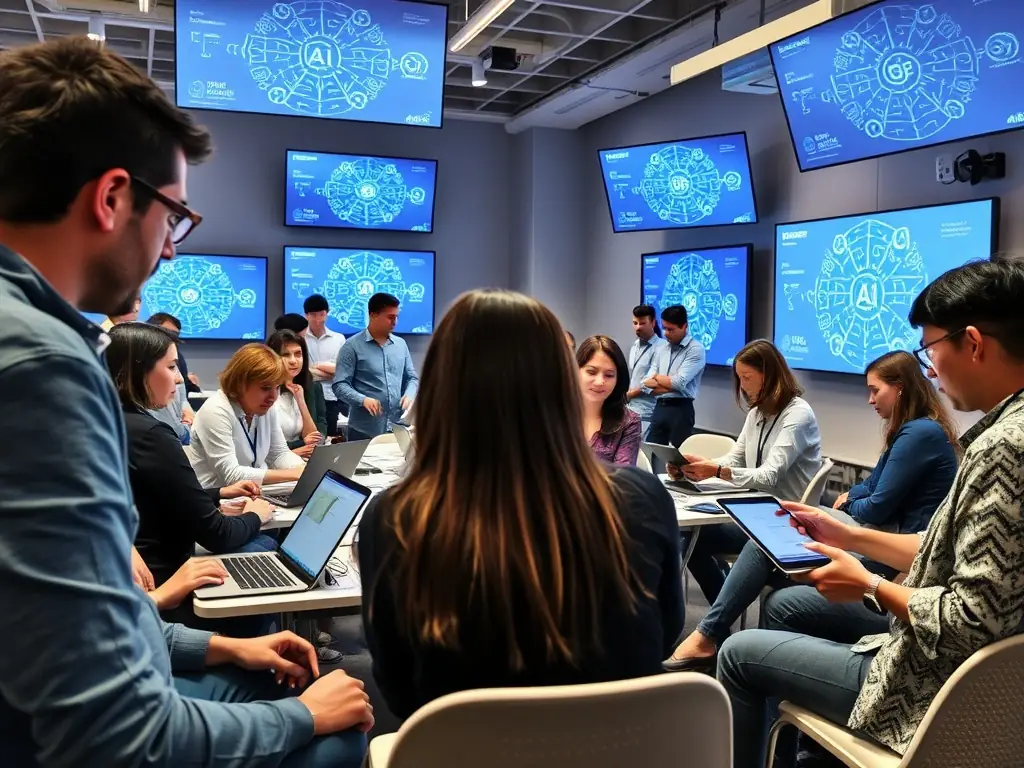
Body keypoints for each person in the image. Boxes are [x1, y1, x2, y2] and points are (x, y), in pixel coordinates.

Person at [0, 36, 369, 766]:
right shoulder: (45, 364)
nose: (171, 248)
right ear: (111, 198)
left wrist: (220, 646)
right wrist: (300, 719)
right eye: (173, 216)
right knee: (340, 730)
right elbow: (116, 736)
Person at [718, 259, 1024, 768]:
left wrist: (870, 585)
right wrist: (849, 537)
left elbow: (971, 620)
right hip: (969, 678)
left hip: (929, 686)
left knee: (737, 653)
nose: (930, 369)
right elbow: (944, 549)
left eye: (930, 349)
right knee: (787, 609)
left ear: (972, 343)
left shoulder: (1003, 448)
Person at [358, 290, 684, 719]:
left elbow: (398, 688)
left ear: (440, 387)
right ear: (563, 383)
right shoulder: (640, 499)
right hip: (620, 741)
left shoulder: (394, 519)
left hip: (461, 745)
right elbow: (663, 636)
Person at [664, 348, 958, 673]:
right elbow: (870, 486)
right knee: (727, 541)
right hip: (875, 538)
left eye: (875, 390)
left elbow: (873, 507)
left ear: (900, 388)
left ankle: (709, 633)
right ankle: (716, 627)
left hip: (889, 552)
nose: (870, 400)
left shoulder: (917, 433)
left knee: (767, 542)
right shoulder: (913, 430)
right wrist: (706, 467)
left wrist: (850, 501)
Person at [107, 322, 279, 630]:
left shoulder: (110, 422)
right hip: (166, 583)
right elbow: (217, 535)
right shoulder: (152, 436)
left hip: (132, 575)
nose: (179, 377)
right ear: (138, 370)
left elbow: (148, 496)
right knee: (267, 545)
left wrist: (217, 494)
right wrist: (256, 514)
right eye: (171, 366)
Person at [669, 340, 821, 614]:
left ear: (769, 375)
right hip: (758, 513)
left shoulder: (797, 415)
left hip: (786, 521)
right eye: (739, 377)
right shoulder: (757, 413)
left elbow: (770, 475)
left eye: (747, 377)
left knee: (695, 539)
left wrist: (716, 471)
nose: (742, 385)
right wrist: (699, 466)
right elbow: (735, 459)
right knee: (692, 538)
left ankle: (721, 615)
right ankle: (723, 613)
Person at [187, 344, 307, 487]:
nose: (273, 397)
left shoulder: (266, 407)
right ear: (240, 384)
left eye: (277, 387)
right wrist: (295, 474)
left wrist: (305, 470)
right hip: (218, 497)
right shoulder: (215, 410)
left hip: (256, 492)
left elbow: (279, 455)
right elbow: (231, 475)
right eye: (265, 388)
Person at [333, 292, 418, 441]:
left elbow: (411, 377)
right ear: (373, 315)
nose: (395, 322)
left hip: (397, 428)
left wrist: (409, 394)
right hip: (364, 430)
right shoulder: (351, 346)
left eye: (397, 317)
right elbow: (339, 385)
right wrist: (362, 400)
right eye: (390, 317)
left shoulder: (401, 344)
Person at [642, 304, 706, 450]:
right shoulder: (661, 349)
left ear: (684, 326)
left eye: (671, 329)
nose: (666, 333)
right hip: (659, 407)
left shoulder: (695, 349)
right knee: (652, 452)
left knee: (679, 455)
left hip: (680, 409)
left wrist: (657, 377)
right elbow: (645, 382)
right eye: (664, 328)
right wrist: (669, 384)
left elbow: (678, 382)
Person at [577, 335, 641, 466]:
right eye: (591, 372)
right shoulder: (553, 414)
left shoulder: (629, 422)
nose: (600, 382)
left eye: (609, 375)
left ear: (618, 379)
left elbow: (622, 475)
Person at [267, 329, 328, 455]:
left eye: (298, 354)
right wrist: (300, 445)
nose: (293, 361)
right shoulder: (264, 391)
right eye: (285, 355)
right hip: (274, 459)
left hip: (305, 457)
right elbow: (264, 444)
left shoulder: (311, 386)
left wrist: (301, 401)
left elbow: (315, 436)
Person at [304, 294, 347, 436]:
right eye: (313, 315)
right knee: (309, 438)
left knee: (329, 437)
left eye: (321, 314)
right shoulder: (301, 339)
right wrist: (329, 370)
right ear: (306, 315)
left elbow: (343, 371)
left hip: (331, 398)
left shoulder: (338, 339)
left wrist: (315, 367)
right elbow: (303, 372)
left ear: (327, 314)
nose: (318, 319)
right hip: (307, 397)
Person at [626, 304, 667, 440]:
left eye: (642, 323)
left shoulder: (662, 347)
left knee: (640, 450)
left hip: (647, 411)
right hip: (630, 408)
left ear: (653, 323)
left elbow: (653, 381)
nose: (638, 327)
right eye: (635, 323)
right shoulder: (634, 346)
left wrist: (629, 395)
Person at [148, 311, 200, 394]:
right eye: (166, 332)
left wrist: (191, 384)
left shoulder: (177, 356)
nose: (171, 338)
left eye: (175, 334)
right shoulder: (143, 357)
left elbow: (183, 385)